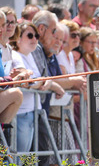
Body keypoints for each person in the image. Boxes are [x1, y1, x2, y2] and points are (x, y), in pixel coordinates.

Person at [10, 21, 64, 157]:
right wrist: (48, 83)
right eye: (29, 35)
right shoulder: (15, 55)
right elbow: (29, 81)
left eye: (36, 36)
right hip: (22, 113)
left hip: (32, 111)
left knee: (26, 157)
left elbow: (39, 79)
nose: (34, 39)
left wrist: (48, 82)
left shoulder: (29, 55)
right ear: (18, 38)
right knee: (18, 157)